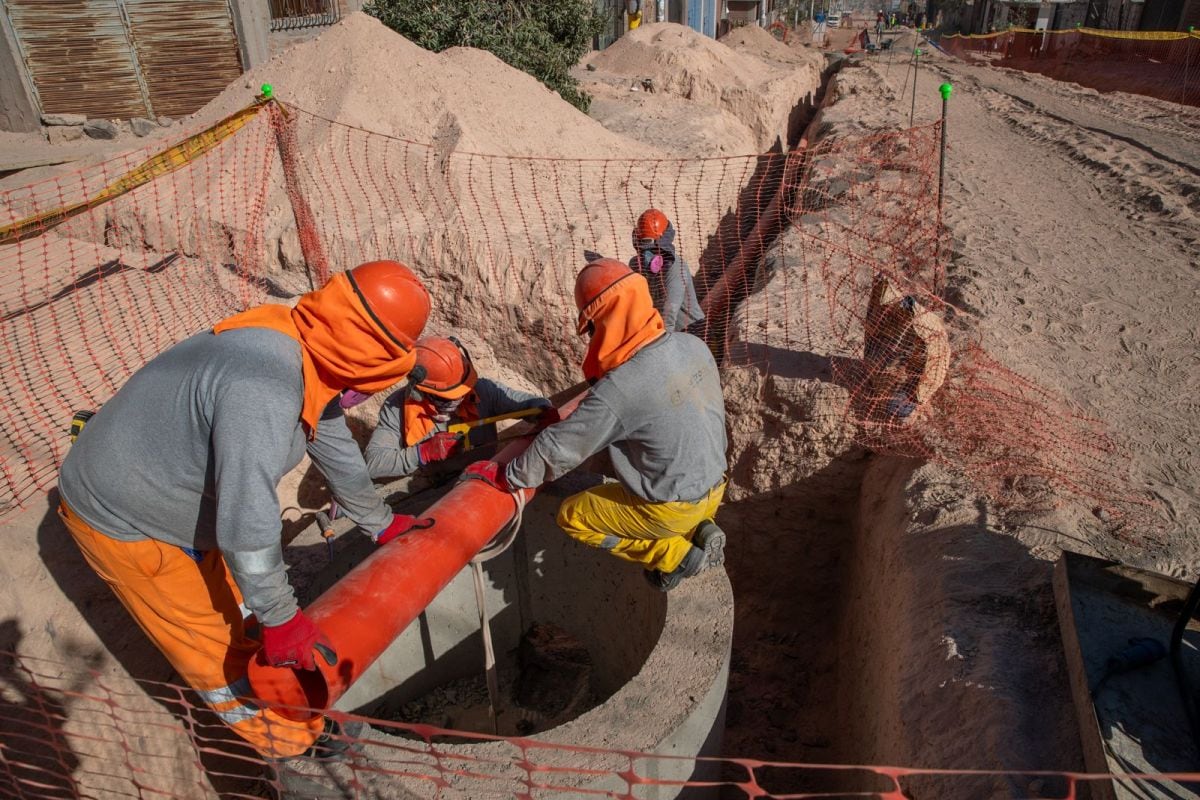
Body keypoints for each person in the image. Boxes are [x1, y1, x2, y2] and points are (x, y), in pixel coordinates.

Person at [57, 260, 433, 767]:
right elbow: (246, 511)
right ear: (366, 356)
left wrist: (379, 521)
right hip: (127, 517)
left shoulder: (305, 341)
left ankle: (277, 679)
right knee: (214, 649)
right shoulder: (264, 387)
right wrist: (281, 618)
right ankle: (297, 749)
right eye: (371, 381)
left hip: (173, 491)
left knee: (247, 613)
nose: (362, 393)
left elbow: (333, 442)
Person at [464, 259, 728, 592]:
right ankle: (701, 530)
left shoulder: (623, 387)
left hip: (671, 510)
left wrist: (507, 475)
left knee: (574, 516)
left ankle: (674, 554)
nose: (591, 338)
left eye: (591, 329)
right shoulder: (692, 346)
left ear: (604, 321)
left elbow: (559, 450)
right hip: (715, 489)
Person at [363, 336, 550, 480]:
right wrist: (423, 453)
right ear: (420, 391)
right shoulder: (398, 407)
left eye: (463, 391)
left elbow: (527, 402)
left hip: (484, 474)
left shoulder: (481, 390)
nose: (459, 398)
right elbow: (372, 463)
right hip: (433, 486)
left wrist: (542, 409)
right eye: (449, 396)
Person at [861, 273, 950, 422]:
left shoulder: (929, 336)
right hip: (900, 361)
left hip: (915, 371)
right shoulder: (895, 324)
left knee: (897, 406)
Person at [629, 208, 705, 334]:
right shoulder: (636, 265)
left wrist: (662, 340)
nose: (648, 256)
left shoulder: (675, 266)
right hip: (662, 330)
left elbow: (670, 311)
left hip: (693, 332)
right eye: (645, 247)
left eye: (652, 249)